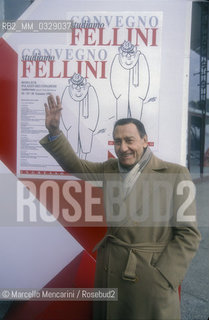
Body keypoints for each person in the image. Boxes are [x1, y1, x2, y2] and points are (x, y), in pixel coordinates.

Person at [40, 94, 201, 320]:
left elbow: (189, 235)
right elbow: (75, 165)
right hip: (112, 271)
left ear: (145, 141)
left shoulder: (175, 174)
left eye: (129, 140)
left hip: (150, 282)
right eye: (117, 141)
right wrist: (55, 132)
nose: (123, 147)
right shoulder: (109, 170)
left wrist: (165, 276)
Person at [110, 41, 150, 120]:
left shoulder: (140, 57)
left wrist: (141, 96)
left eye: (131, 52)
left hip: (137, 95)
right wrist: (118, 95)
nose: (128, 55)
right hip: (121, 96)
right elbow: (113, 76)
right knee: (121, 121)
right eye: (125, 52)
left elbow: (146, 76)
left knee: (136, 122)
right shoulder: (117, 58)